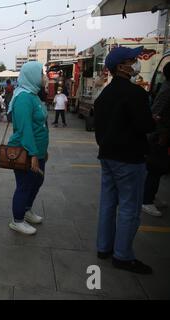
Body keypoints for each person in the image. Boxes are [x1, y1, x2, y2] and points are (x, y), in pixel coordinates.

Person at [94, 46, 155, 275]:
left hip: (107, 156)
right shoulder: (136, 94)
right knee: (129, 207)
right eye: (132, 60)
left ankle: (104, 247)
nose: (135, 64)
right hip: (129, 159)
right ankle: (122, 255)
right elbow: (146, 126)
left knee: (108, 203)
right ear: (121, 67)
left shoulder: (104, 96)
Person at [7, 62, 49, 235]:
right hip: (25, 151)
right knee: (25, 185)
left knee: (37, 181)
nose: (44, 77)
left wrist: (42, 151)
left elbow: (39, 126)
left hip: (37, 151)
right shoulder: (23, 98)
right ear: (31, 75)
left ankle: (26, 210)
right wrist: (32, 154)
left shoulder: (33, 95)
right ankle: (17, 220)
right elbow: (25, 129)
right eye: (41, 73)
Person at [142, 62, 170, 217]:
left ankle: (151, 196)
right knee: (155, 167)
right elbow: (155, 113)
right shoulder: (167, 89)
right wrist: (159, 133)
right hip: (160, 136)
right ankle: (147, 200)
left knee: (158, 169)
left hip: (161, 134)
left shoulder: (164, 87)